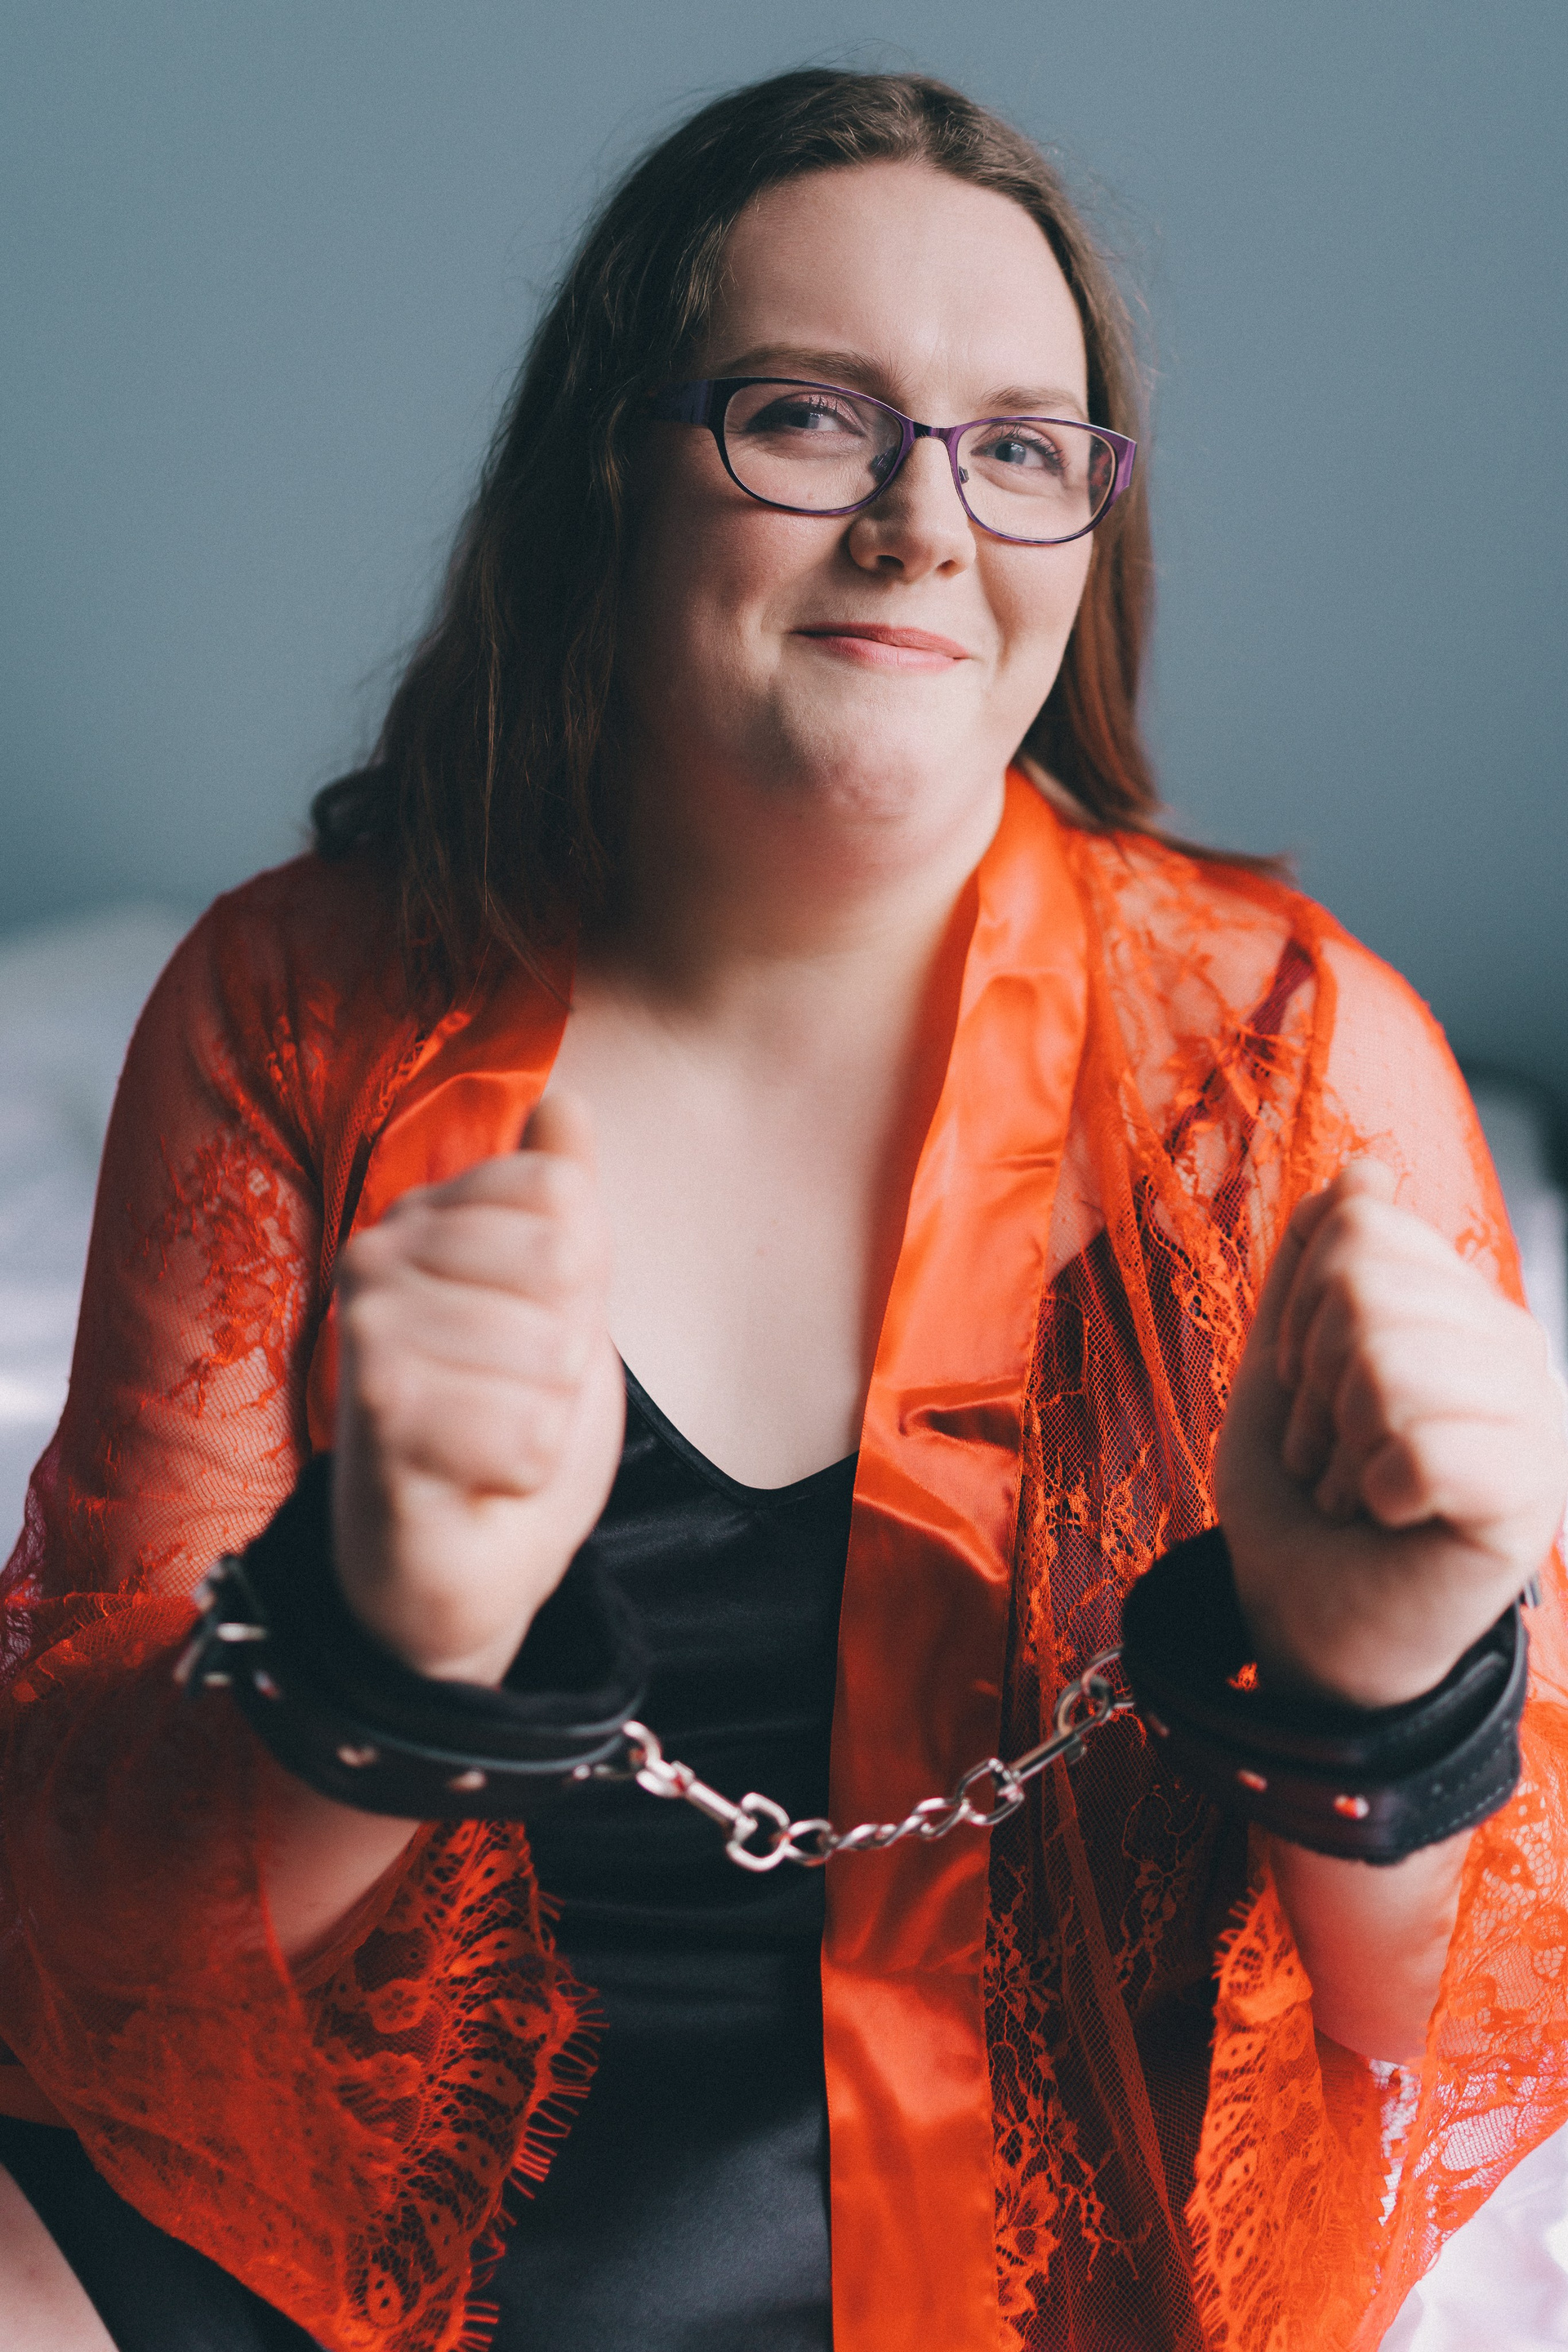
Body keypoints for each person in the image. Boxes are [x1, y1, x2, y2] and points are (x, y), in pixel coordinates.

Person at [1, 65, 1565, 2352]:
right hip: (324, 2228)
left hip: (1041, 2257)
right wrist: (389, 1641)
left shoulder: (1295, 1064)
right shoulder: (295, 1009)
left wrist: (1380, 1681)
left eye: (1019, 447)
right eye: (810, 419)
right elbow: (108, 1948)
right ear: (608, 476)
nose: (925, 527)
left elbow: (1440, 2023)